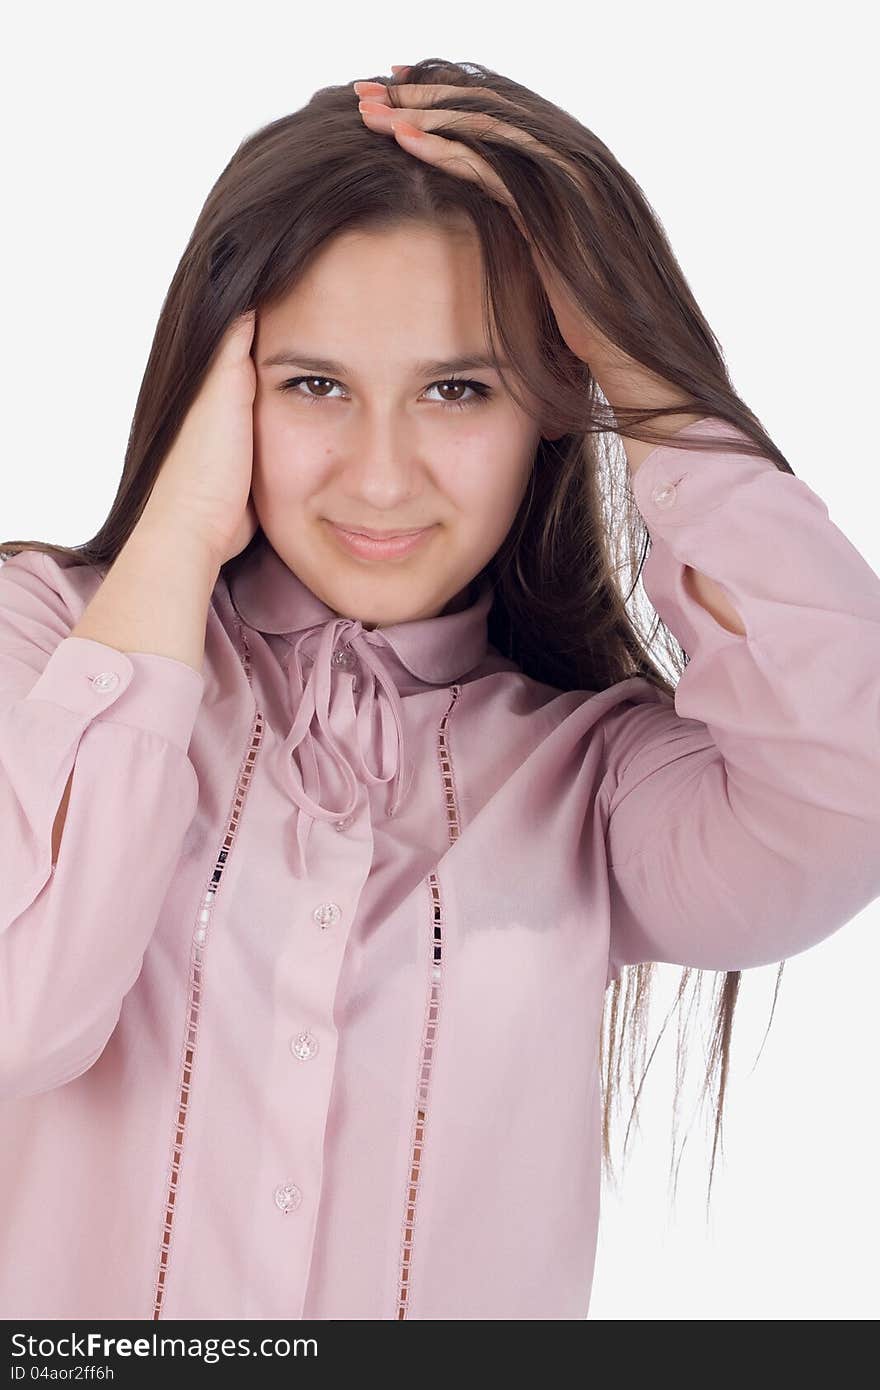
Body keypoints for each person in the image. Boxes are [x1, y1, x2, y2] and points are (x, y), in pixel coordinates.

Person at [1, 58, 878, 1322]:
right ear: (218, 382)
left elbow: (848, 776)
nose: (379, 477)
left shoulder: (598, 782)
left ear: (554, 403)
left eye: (458, 389)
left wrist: (651, 374)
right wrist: (181, 532)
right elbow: (22, 1012)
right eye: (314, 385)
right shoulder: (43, 644)